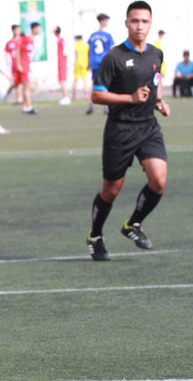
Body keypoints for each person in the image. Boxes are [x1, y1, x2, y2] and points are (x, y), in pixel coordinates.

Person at [86, 1, 169, 262]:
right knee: (111, 191)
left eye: (144, 21)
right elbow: (96, 95)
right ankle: (95, 236)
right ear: (126, 23)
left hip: (148, 127)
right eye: (135, 21)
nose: (139, 26)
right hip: (120, 130)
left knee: (159, 181)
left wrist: (158, 101)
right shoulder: (114, 57)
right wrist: (130, 98)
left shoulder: (156, 54)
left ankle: (133, 224)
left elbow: (156, 81)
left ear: (150, 24)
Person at [86, 13, 115, 115]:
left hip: (94, 61)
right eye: (106, 20)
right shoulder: (107, 35)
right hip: (104, 61)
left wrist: (88, 63)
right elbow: (112, 49)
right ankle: (107, 106)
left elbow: (89, 49)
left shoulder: (93, 35)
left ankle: (91, 104)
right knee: (107, 82)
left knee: (94, 82)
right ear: (102, 21)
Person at [16, 22, 41, 114]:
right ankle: (29, 107)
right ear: (34, 29)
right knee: (27, 86)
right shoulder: (26, 38)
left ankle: (25, 106)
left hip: (27, 66)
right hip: (23, 65)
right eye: (38, 28)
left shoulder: (32, 40)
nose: (39, 30)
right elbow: (18, 50)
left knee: (25, 86)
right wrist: (18, 64)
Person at [3, 24, 23, 104]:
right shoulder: (9, 43)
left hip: (22, 64)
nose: (18, 31)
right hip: (13, 65)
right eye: (17, 30)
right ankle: (14, 97)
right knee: (15, 83)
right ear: (13, 30)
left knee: (21, 82)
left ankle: (20, 99)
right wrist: (6, 65)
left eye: (19, 30)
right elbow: (6, 54)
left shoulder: (22, 41)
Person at [54, 26, 70, 104]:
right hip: (62, 62)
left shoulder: (59, 40)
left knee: (62, 80)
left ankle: (66, 97)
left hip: (62, 62)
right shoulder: (61, 40)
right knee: (61, 80)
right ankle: (65, 97)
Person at [72, 34, 90, 100]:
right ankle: (85, 94)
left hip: (78, 65)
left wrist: (79, 63)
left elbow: (78, 53)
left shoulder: (77, 44)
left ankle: (74, 95)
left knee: (75, 80)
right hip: (85, 64)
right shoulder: (86, 45)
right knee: (84, 80)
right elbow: (88, 54)